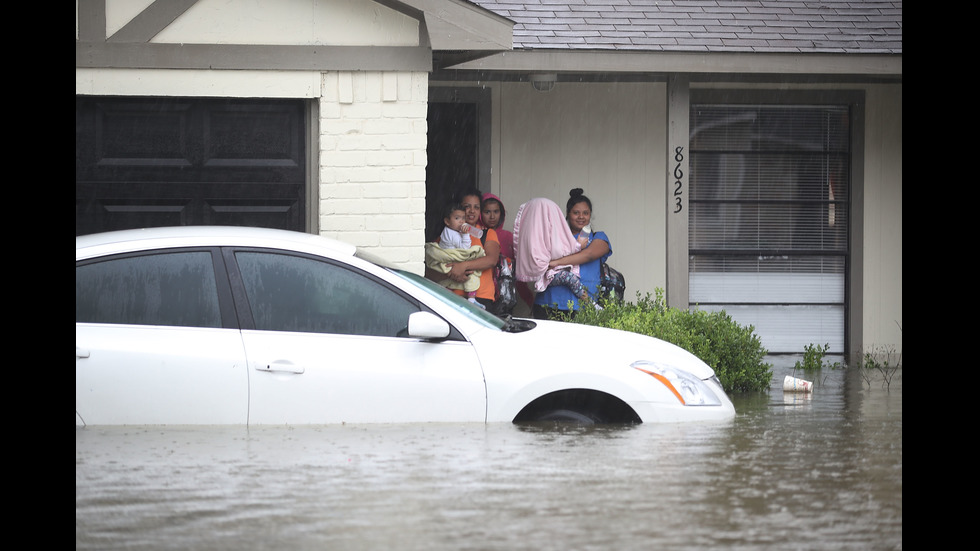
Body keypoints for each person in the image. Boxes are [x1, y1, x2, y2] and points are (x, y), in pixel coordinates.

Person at [521, 189, 612, 320]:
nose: (581, 217)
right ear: (568, 214)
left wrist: (556, 262)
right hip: (547, 304)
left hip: (582, 307)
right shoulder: (553, 237)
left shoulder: (599, 237)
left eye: (585, 213)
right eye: (576, 213)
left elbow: (588, 255)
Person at [425, 188, 501, 310]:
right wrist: (450, 273)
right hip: (451, 298)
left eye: (476, 207)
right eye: (467, 206)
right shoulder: (446, 236)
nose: (472, 211)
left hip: (481, 298)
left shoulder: (487, 234)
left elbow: (491, 260)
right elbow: (429, 272)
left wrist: (463, 266)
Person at [480, 193, 534, 314]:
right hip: (480, 295)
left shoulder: (508, 237)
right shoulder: (475, 235)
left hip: (505, 296)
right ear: (480, 213)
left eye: (496, 211)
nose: (492, 216)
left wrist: (529, 299)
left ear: (502, 213)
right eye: (487, 212)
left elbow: (517, 272)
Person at [424, 203, 485, 305]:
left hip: (453, 258)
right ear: (447, 221)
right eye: (457, 218)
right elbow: (464, 248)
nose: (461, 221)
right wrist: (466, 235)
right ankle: (471, 298)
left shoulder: (455, 231)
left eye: (463, 218)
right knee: (473, 271)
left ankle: (468, 298)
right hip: (451, 257)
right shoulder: (450, 232)